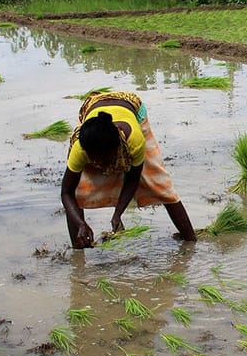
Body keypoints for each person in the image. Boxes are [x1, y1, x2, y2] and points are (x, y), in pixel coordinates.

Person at [60, 91, 196, 248]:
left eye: (102, 160)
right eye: (93, 159)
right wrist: (81, 223)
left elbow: (132, 179)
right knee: (78, 194)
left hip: (131, 106)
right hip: (93, 110)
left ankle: (191, 242)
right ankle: (79, 250)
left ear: (116, 150)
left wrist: (117, 214)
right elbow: (66, 192)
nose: (97, 164)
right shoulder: (80, 148)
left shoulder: (134, 141)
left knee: (160, 184)